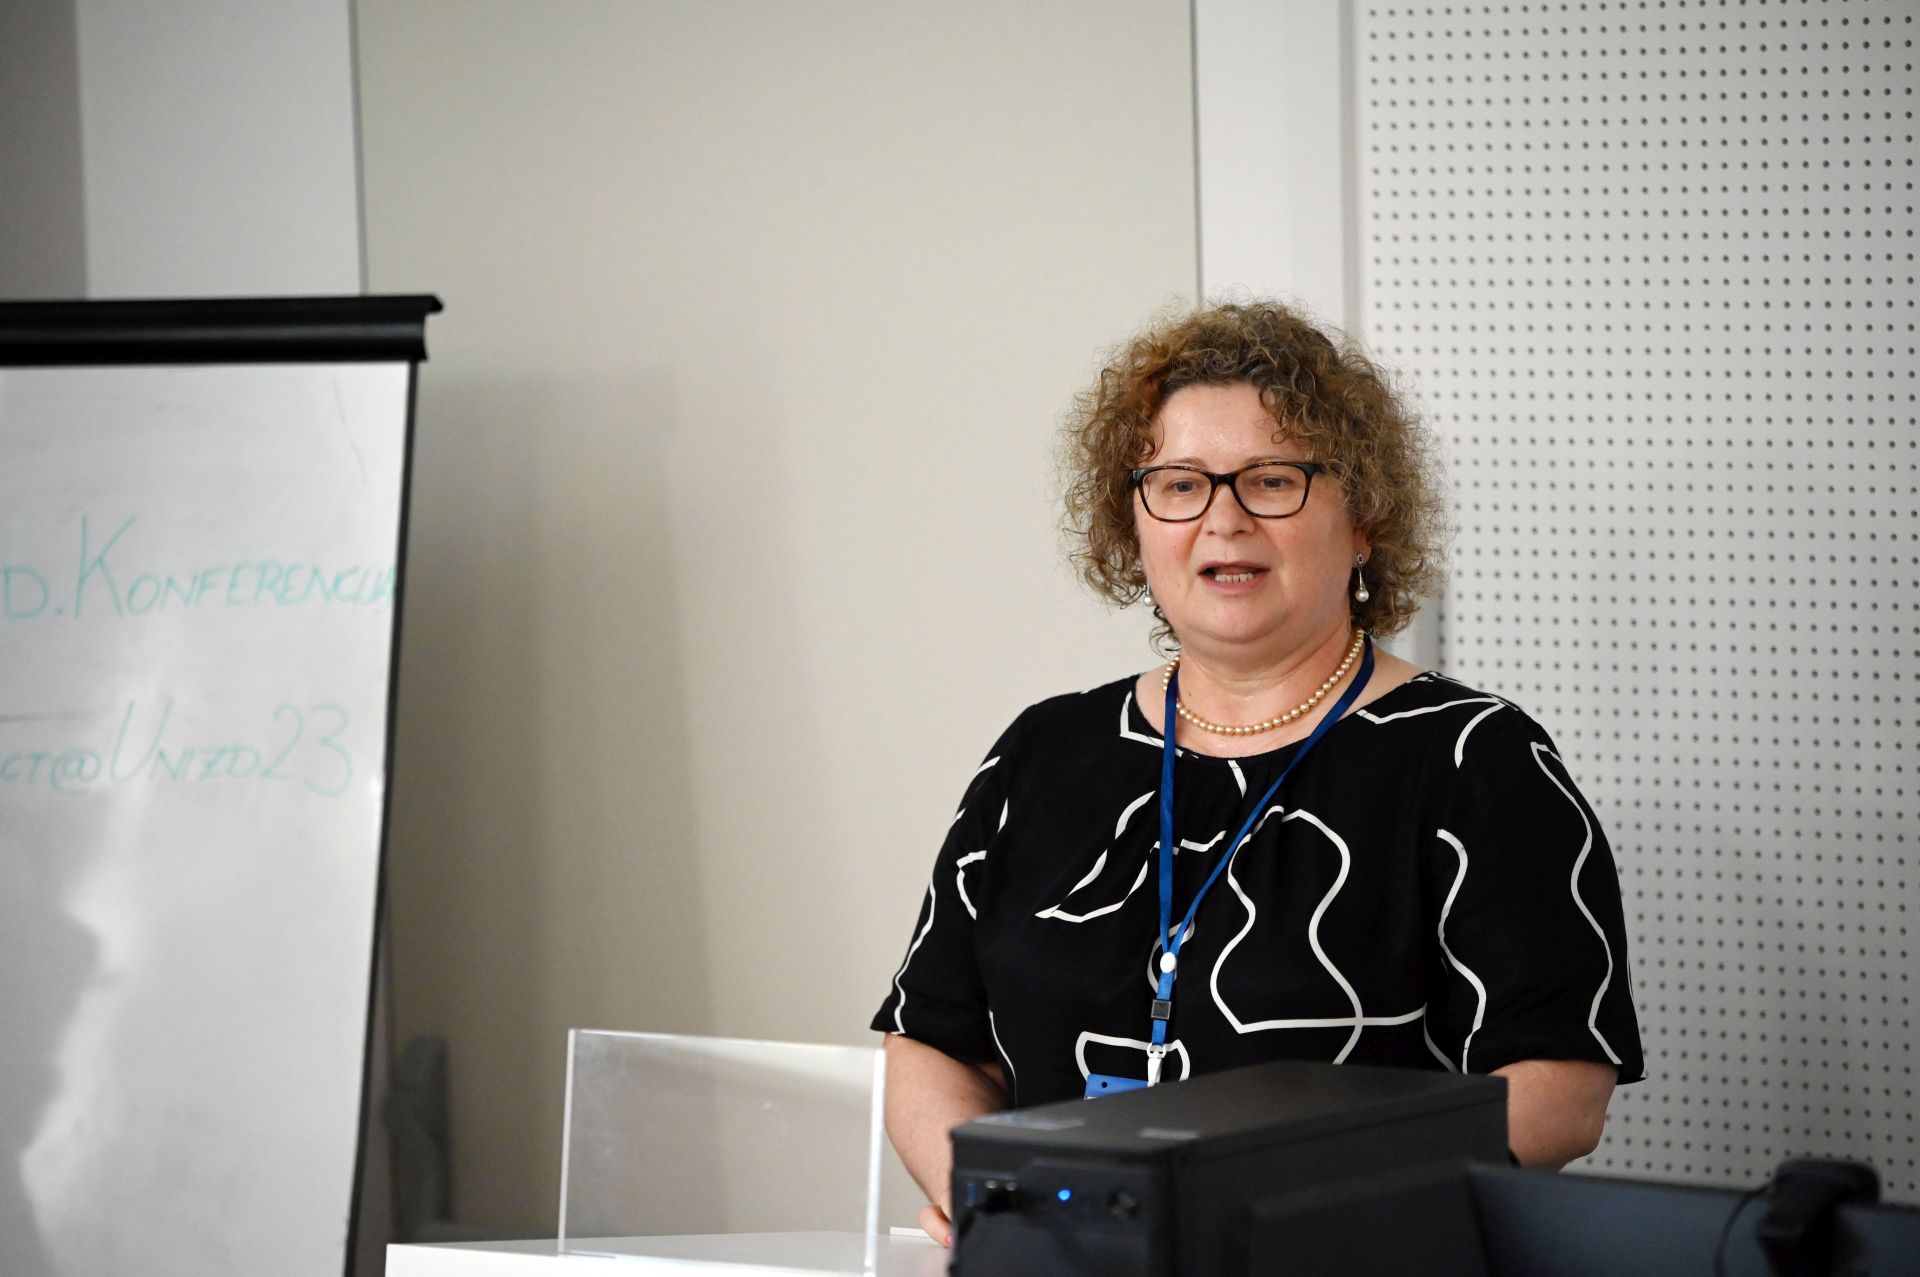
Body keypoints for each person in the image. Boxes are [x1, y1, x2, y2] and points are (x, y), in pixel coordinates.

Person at [872, 300, 1643, 1245]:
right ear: (1134, 521)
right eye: (1180, 484)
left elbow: (1560, 1089)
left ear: (1363, 519)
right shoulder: (1042, 752)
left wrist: (1290, 1215)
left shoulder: (1476, 759)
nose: (1223, 519)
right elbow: (932, 1038)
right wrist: (1002, 1201)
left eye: (1273, 480)